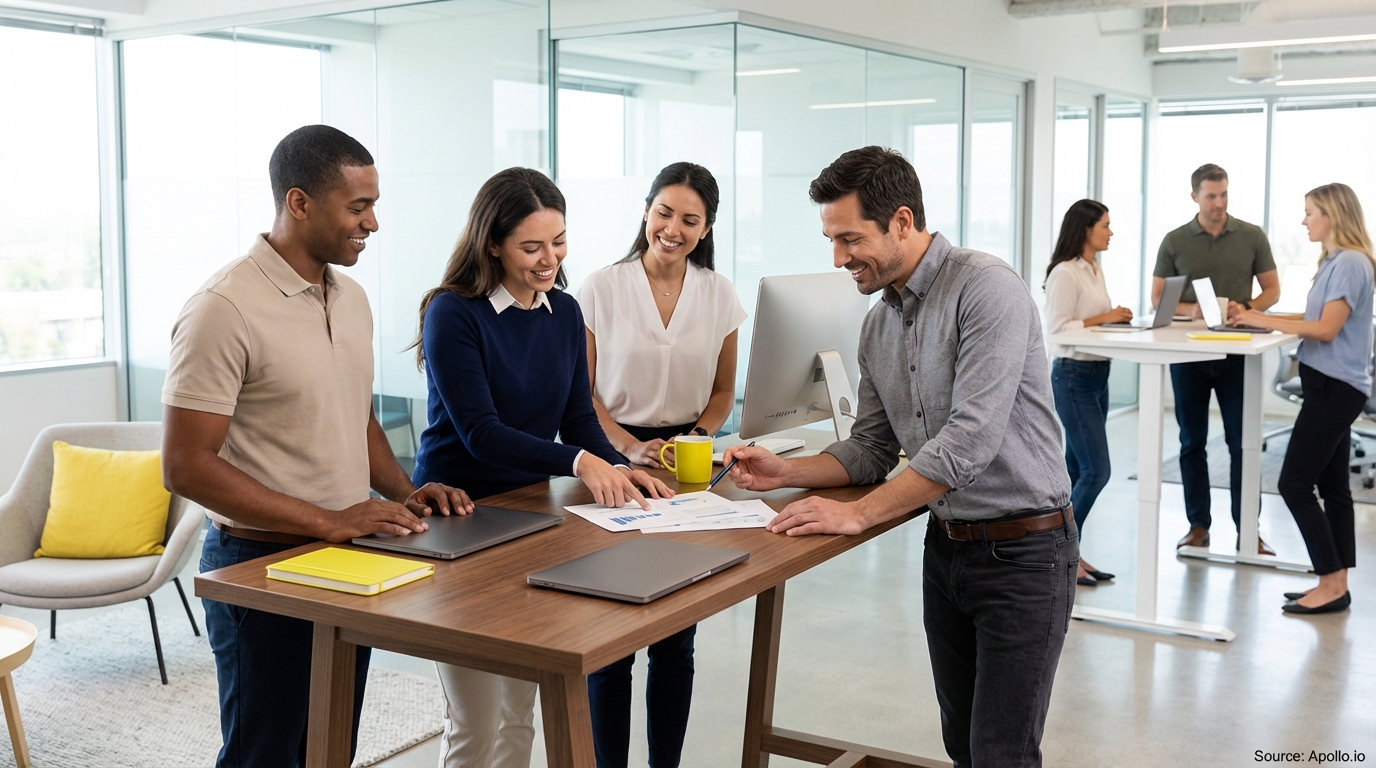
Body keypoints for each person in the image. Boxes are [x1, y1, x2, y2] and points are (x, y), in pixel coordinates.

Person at [726, 146, 1075, 768]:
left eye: (850, 238)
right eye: (831, 240)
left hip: (1025, 552)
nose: (838, 258)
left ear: (903, 222)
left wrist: (861, 515)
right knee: (962, 745)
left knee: (1003, 753)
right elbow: (870, 449)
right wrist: (791, 472)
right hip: (947, 548)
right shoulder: (877, 326)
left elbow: (969, 441)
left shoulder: (985, 288)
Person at [161, 125, 472, 768]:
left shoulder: (351, 296)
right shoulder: (223, 307)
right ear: (298, 203)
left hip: (345, 557)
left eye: (374, 204)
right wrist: (329, 519)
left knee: (331, 746)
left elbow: (352, 413)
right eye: (358, 207)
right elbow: (186, 465)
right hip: (258, 563)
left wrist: (405, 491)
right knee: (265, 753)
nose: (373, 223)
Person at [410, 167, 672, 768]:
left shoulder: (564, 312)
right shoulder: (453, 313)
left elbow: (579, 420)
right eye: (531, 247)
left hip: (533, 520)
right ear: (492, 244)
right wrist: (582, 463)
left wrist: (623, 466)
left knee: (521, 714)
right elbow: (481, 434)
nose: (549, 258)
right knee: (475, 719)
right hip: (461, 520)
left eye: (558, 242)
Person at [576, 162, 747, 767]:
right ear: (646, 212)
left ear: (705, 229)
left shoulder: (719, 292)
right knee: (612, 637)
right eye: (663, 213)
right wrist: (628, 448)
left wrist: (695, 436)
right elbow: (583, 393)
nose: (672, 228)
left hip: (687, 466)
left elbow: (725, 392)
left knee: (677, 635)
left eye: (689, 220)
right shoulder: (601, 286)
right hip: (611, 462)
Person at [1231, 183, 1374, 615]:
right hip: (1329, 383)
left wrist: (1266, 322)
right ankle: (1336, 584)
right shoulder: (1335, 261)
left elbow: (1327, 329)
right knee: (1333, 487)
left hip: (1335, 387)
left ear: (1331, 215)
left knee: (1293, 482)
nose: (1304, 220)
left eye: (1310, 212)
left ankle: (1329, 580)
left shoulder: (1350, 262)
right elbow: (1313, 317)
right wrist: (1259, 316)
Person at [1152, 163, 1281, 553]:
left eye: (1224, 194)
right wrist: (1188, 309)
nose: (1219, 203)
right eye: (1211, 196)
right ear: (1195, 197)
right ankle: (1198, 527)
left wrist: (1249, 310)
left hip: (1237, 353)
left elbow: (1272, 289)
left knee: (1242, 442)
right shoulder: (1174, 240)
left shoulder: (1252, 236)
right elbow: (1158, 298)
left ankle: (1248, 532)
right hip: (1188, 354)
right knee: (1192, 442)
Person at [1043, 199, 1128, 588]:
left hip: (1098, 373)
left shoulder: (1095, 268)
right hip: (1073, 375)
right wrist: (1105, 318)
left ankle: (1069, 554)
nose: (1111, 232)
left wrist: (1113, 323)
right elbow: (1058, 330)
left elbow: (1090, 324)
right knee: (1097, 470)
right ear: (1086, 229)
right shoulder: (1065, 272)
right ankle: (1060, 552)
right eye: (1105, 225)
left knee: (1076, 469)